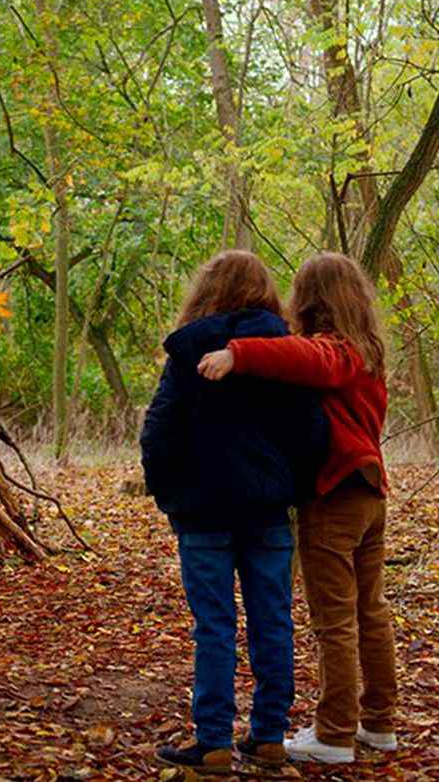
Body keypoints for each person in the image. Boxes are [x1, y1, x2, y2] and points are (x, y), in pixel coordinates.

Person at [198, 251, 397, 765]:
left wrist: (238, 354)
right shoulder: (368, 349)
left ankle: (334, 734)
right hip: (369, 492)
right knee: (369, 613)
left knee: (336, 618)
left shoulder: (337, 351)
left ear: (311, 299)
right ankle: (378, 723)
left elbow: (308, 358)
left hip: (337, 495)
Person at [142, 250, 327, 775]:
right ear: (265, 294)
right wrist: (294, 487)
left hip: (202, 512)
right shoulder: (285, 354)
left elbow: (159, 431)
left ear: (206, 290)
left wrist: (170, 495)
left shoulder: (188, 354)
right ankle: (268, 735)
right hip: (267, 510)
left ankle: (214, 739)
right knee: (272, 619)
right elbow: (312, 432)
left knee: (215, 625)